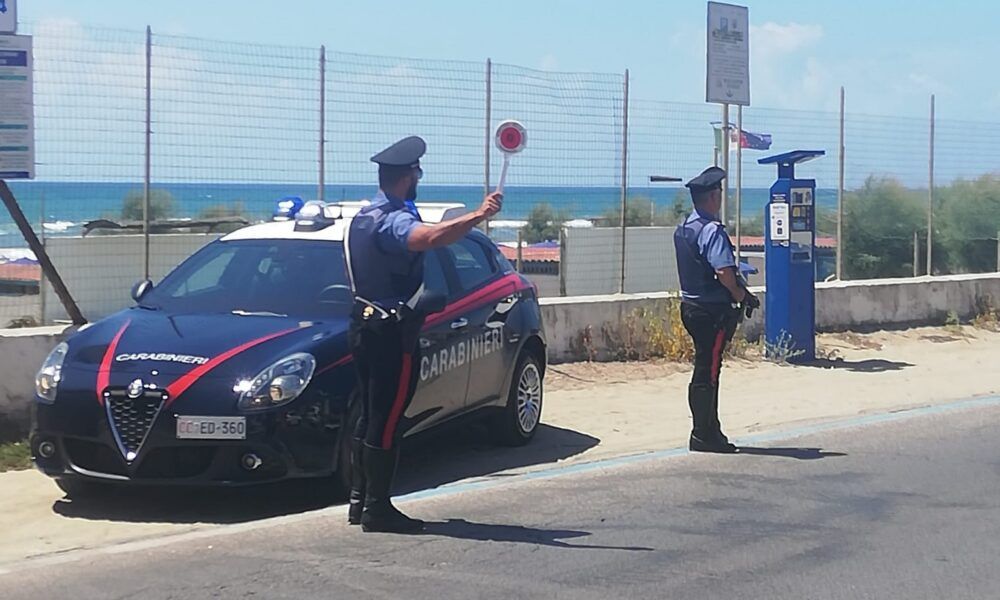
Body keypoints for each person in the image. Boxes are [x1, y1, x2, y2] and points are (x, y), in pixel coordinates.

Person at [345, 135, 503, 533]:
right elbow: (428, 238)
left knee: (370, 414)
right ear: (407, 176)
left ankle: (360, 501)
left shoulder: (364, 216)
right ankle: (378, 509)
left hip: (363, 325)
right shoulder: (394, 219)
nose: (419, 177)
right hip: (390, 334)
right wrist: (478, 215)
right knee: (388, 417)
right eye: (417, 171)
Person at [673, 166, 759, 454]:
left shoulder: (685, 227)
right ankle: (704, 433)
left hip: (691, 306)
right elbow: (723, 271)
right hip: (711, 311)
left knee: (705, 368)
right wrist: (741, 295)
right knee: (708, 372)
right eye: (720, 193)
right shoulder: (711, 230)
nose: (721, 198)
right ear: (712, 197)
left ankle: (710, 430)